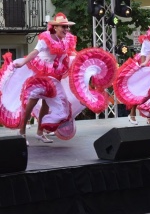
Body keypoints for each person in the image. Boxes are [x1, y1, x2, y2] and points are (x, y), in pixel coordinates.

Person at [0, 12, 117, 145]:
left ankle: (40, 132)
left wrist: (80, 62)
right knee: (31, 103)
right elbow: (35, 52)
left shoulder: (66, 39)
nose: (66, 30)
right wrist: (22, 62)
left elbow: (69, 54)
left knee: (47, 104)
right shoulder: (46, 39)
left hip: (54, 75)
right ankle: (22, 132)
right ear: (55, 27)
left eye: (67, 27)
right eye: (63, 27)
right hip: (40, 74)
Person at [127, 19, 150, 125]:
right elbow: (143, 54)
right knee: (140, 90)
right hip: (146, 65)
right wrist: (143, 69)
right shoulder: (148, 40)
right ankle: (132, 114)